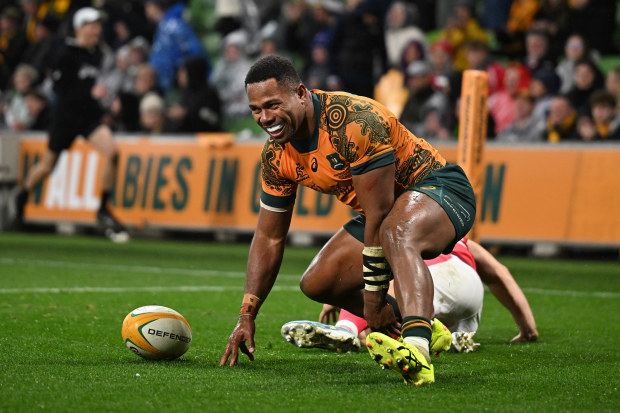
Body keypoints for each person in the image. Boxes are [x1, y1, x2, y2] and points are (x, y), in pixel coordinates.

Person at [220, 55, 477, 386]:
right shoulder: (275, 157)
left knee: (396, 231)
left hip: (439, 188)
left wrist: (373, 298)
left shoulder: (353, 121)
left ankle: (417, 350)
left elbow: (381, 212)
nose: (265, 118)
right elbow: (269, 238)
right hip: (385, 212)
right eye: (256, 110)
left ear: (300, 93)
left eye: (272, 105)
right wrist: (246, 315)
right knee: (319, 282)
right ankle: (425, 327)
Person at [281, 238, 538, 353]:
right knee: (446, 322)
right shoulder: (460, 238)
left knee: (379, 284)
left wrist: (340, 297)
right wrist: (527, 328)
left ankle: (346, 329)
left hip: (428, 279)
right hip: (469, 287)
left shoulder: (402, 223)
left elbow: (373, 269)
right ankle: (456, 338)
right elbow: (501, 275)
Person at [13, 7, 128, 242]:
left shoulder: (97, 53)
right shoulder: (65, 53)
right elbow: (61, 92)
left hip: (88, 117)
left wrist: (105, 103)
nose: (97, 29)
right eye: (92, 25)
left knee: (113, 153)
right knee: (47, 166)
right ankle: (22, 196)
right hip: (66, 117)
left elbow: (93, 87)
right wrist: (90, 92)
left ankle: (103, 209)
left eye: (98, 25)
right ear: (80, 28)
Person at [145, 0, 209, 93]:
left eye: (148, 6)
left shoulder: (171, 26)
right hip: (171, 77)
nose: (146, 10)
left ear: (157, 6)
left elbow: (190, 49)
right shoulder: (164, 25)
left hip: (176, 79)